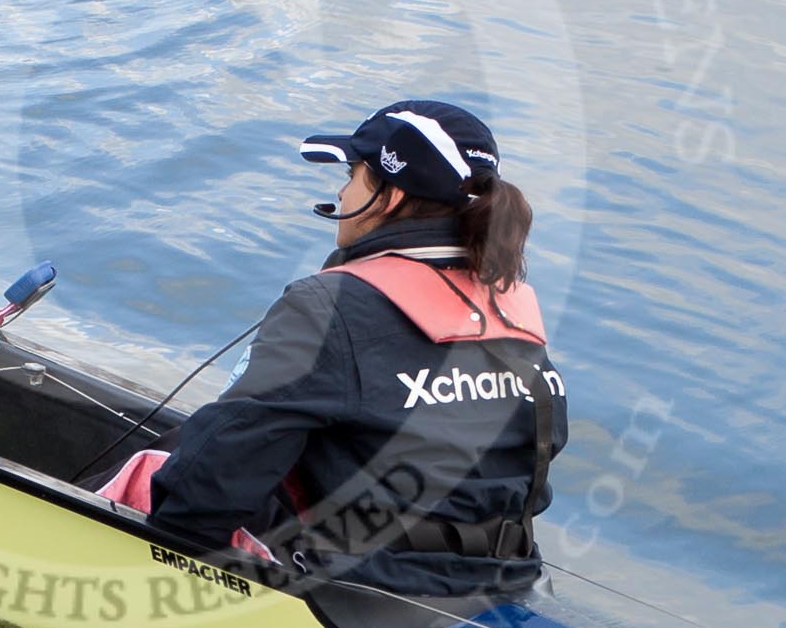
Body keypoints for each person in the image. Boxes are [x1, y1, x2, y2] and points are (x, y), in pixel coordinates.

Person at [143, 100, 569, 597]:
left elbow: (210, 484)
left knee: (179, 454)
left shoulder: (328, 305)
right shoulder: (511, 308)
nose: (342, 192)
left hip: (354, 593)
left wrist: (152, 554)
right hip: (506, 579)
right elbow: (541, 453)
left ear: (387, 197)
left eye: (353, 175)